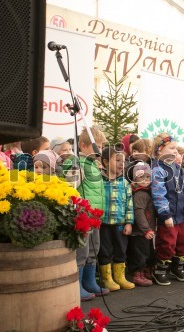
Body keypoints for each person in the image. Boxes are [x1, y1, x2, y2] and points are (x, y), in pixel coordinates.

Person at [62, 127, 109, 300]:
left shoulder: (92, 165)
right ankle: (77, 285)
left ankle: (89, 282)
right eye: (97, 145)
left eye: (102, 145)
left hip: (94, 216)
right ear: (83, 145)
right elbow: (70, 189)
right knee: (82, 251)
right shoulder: (78, 164)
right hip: (83, 216)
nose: (100, 149)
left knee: (93, 248)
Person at [151, 133, 184, 286]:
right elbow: (158, 194)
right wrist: (165, 214)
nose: (176, 152)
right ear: (159, 151)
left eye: (177, 148)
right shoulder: (158, 169)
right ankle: (160, 270)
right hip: (168, 216)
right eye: (172, 148)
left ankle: (177, 267)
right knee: (167, 243)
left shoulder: (178, 168)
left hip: (180, 215)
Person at [98, 146, 135, 290]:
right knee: (105, 250)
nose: (121, 164)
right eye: (117, 160)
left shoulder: (124, 183)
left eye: (123, 161)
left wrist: (129, 222)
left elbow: (129, 204)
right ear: (106, 162)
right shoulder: (99, 181)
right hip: (103, 223)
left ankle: (120, 277)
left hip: (120, 223)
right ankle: (107, 278)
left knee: (121, 249)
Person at [125, 161, 155, 287]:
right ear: (135, 178)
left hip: (145, 231)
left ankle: (144, 271)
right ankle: (137, 274)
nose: (145, 180)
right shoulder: (140, 194)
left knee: (147, 252)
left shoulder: (146, 191)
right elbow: (139, 213)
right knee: (139, 254)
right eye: (141, 177)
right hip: (139, 232)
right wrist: (146, 229)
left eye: (148, 177)